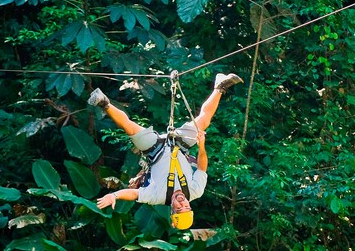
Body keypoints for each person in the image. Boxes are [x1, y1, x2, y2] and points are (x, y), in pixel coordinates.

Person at [88, 73, 243, 230]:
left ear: (172, 209)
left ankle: (103, 102)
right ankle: (220, 87)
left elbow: (134, 194)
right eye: (186, 207)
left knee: (130, 128)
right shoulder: (195, 191)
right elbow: (202, 167)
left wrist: (114, 195)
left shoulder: (157, 197)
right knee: (203, 122)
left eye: (179, 207)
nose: (182, 203)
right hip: (180, 147)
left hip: (155, 150)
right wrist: (201, 145)